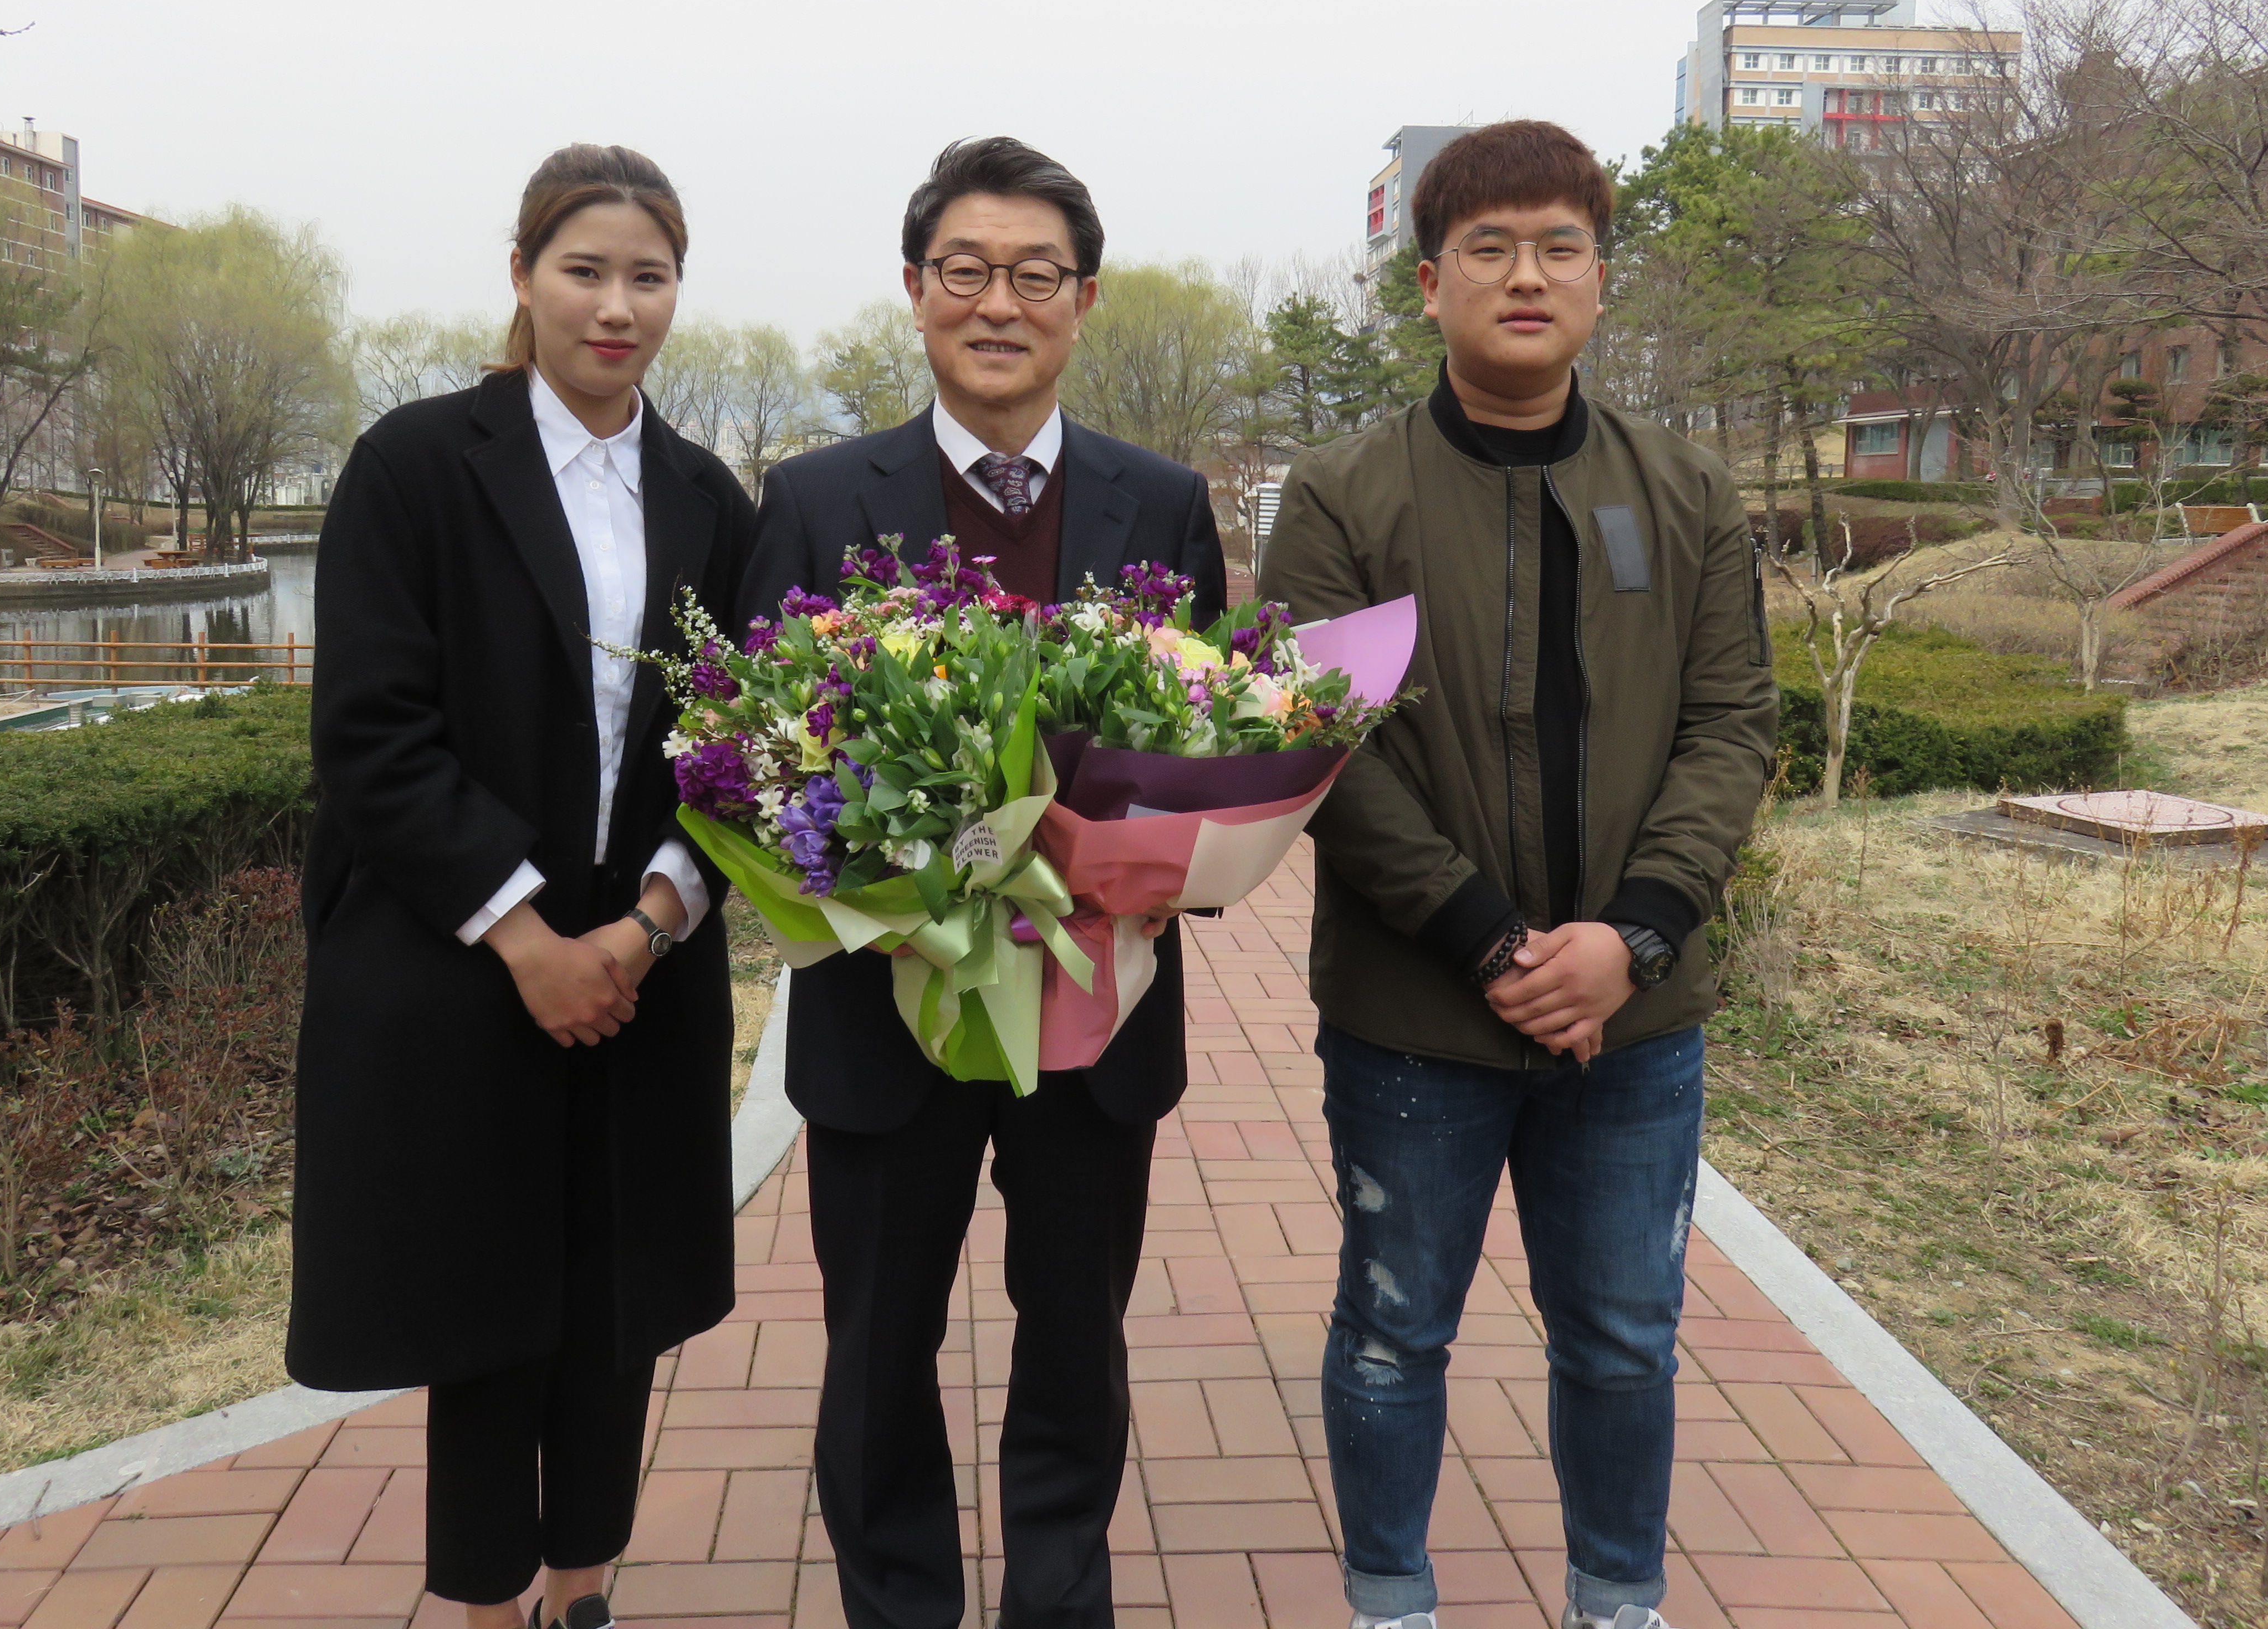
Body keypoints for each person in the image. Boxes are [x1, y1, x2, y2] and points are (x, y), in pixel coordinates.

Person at [1259, 121, 1777, 1629]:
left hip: (1635, 1018)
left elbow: (1731, 723)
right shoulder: (1344, 494)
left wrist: (1638, 935)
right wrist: (1490, 940)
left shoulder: (1686, 490)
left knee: (1623, 1335)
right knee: (1394, 1329)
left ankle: (1620, 1598)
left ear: (1603, 279)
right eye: (1488, 248)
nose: (1526, 275)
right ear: (1429, 284)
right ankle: (1390, 1598)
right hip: (1418, 1012)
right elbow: (1318, 737)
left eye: (1560, 245)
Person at [738, 136, 1225, 1629]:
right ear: (915, 288)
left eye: (1034, 275)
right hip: (887, 1016)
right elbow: (755, 756)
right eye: (966, 270)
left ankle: (1058, 1603)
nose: (998, 303)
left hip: (1096, 1007)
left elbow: (1214, 742)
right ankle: (899, 1606)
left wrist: (1170, 869)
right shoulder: (816, 498)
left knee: (1077, 1345)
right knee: (875, 1351)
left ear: (1084, 300)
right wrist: (862, 875)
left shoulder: (1165, 501)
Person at [289, 145, 757, 1629]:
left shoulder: (706, 496)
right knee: (484, 1310)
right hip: (465, 963)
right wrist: (529, 937)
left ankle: (583, 1586)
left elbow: (746, 744)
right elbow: (373, 732)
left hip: (641, 964)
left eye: (648, 277)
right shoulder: (418, 466)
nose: (617, 307)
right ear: (522, 276)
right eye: (585, 271)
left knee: (614, 1301)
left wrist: (651, 923)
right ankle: (491, 1601)